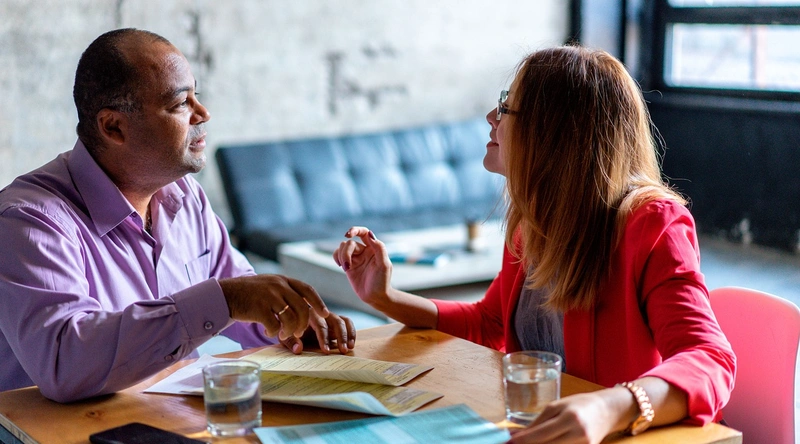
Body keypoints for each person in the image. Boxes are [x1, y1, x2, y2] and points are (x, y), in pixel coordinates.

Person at [332, 46, 736, 443]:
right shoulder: (535, 220)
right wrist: (384, 297)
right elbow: (488, 324)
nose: (492, 118)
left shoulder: (651, 223)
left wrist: (608, 406)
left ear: (554, 132)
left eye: (506, 107)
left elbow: (710, 358)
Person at [0, 28, 355, 403]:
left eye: (196, 95)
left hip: (171, 417)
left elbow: (243, 296)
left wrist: (293, 323)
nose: (202, 113)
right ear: (114, 127)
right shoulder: (29, 221)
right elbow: (64, 362)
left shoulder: (185, 198)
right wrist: (225, 301)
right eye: (179, 103)